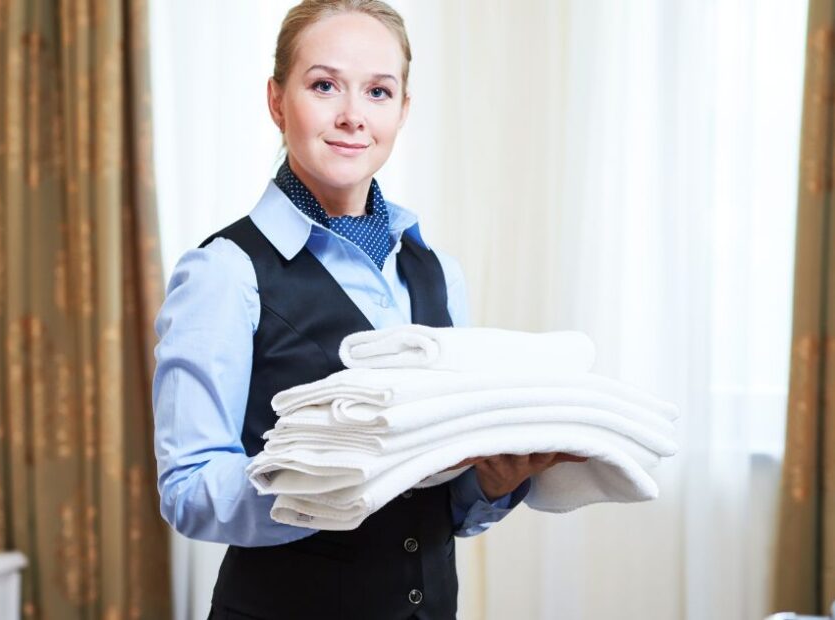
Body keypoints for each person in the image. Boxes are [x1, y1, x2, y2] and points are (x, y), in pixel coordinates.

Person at [152, 1, 582, 618]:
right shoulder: (224, 272)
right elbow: (188, 489)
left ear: (403, 109)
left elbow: (441, 495)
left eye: (378, 92)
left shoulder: (437, 271)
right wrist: (333, 481)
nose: (352, 116)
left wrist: (490, 482)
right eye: (323, 86)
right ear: (277, 101)